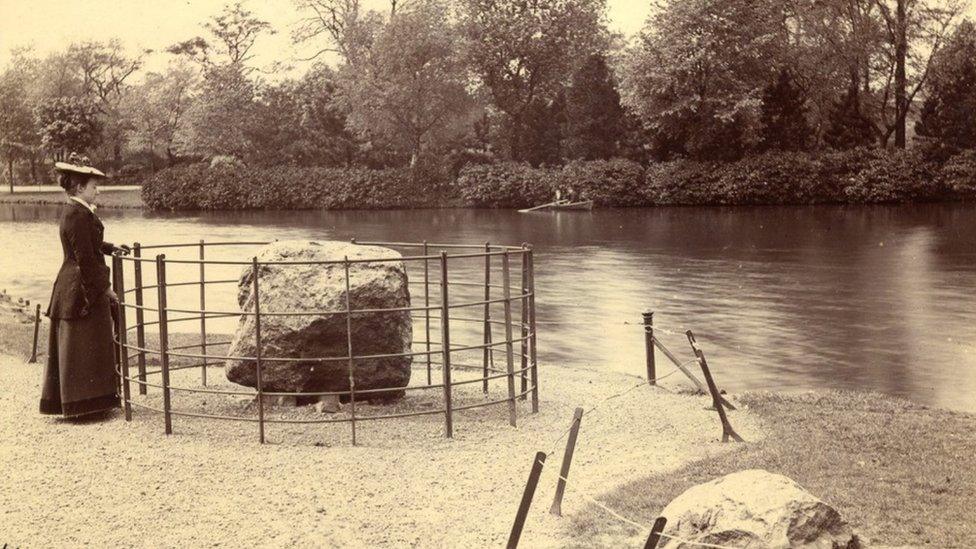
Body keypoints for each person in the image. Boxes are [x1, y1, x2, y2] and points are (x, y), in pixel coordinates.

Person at [40, 153, 130, 418]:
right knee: (84, 342)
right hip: (79, 286)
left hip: (75, 282)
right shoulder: (77, 214)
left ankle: (86, 402)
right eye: (94, 186)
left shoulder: (76, 210)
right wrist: (106, 289)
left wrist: (111, 248)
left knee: (84, 342)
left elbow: (89, 245)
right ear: (80, 187)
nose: (97, 191)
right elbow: (86, 259)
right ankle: (85, 404)